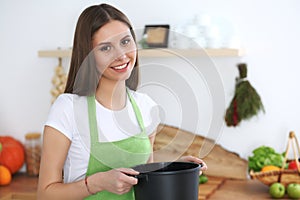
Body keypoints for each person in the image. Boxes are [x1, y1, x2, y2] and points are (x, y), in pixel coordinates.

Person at [37, 3, 207, 200]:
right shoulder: (68, 108)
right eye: (106, 48)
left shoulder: (146, 106)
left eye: (126, 42)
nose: (121, 55)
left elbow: (145, 178)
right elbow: (45, 194)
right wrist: (96, 182)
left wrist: (175, 169)